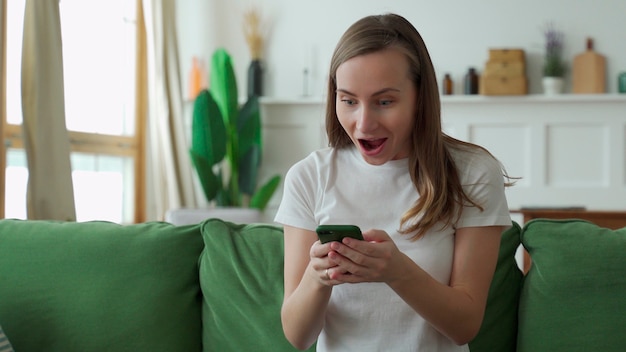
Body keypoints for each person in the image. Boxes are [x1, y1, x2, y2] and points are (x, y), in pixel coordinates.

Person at [274, 13, 513, 352]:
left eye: (384, 101)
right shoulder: (309, 177)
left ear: (420, 97)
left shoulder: (472, 172)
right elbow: (298, 336)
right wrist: (317, 277)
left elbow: (465, 326)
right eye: (349, 101)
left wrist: (398, 271)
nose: (363, 123)